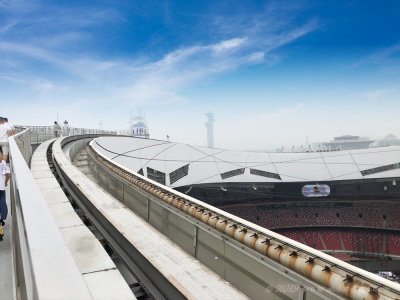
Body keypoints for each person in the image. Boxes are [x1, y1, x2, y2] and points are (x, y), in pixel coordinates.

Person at [0, 152, 10, 229]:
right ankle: (1, 218)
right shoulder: (2, 163)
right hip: (1, 187)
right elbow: (8, 175)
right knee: (2, 203)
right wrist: (6, 181)